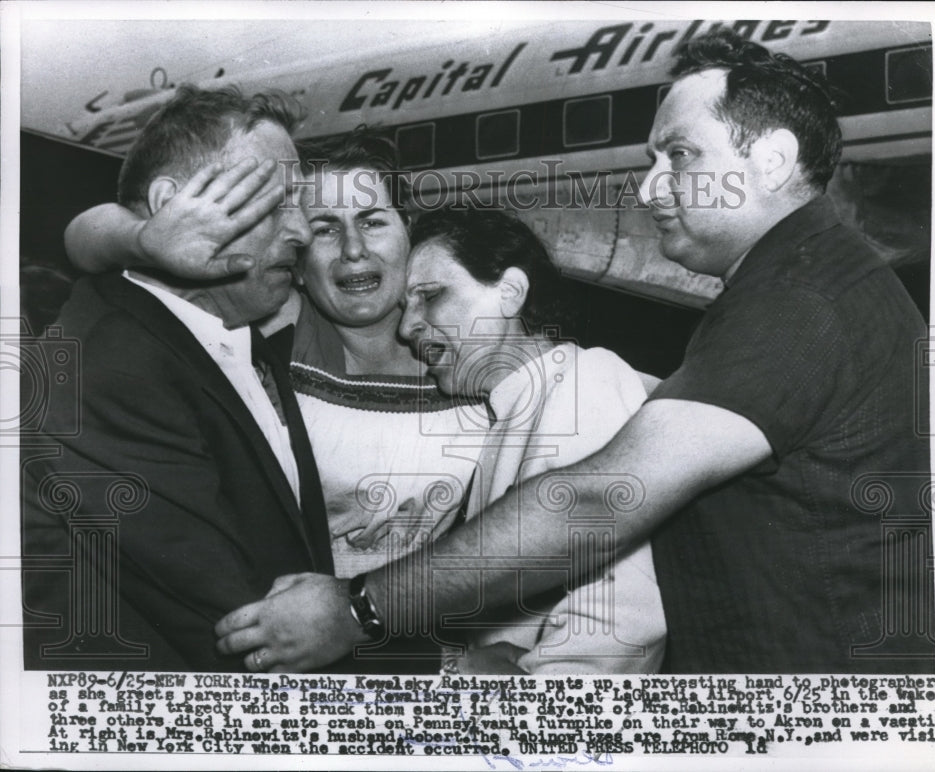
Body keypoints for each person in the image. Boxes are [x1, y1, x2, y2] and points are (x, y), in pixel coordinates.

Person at [215, 29, 933, 675]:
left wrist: (354, 612)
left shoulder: (799, 302)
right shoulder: (800, 283)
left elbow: (600, 500)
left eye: (678, 155)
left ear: (772, 160)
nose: (648, 187)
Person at [59, 127, 481, 672]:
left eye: (373, 221)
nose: (354, 250)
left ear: (408, 235)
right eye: (325, 229)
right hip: (328, 661)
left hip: (459, 653)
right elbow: (79, 239)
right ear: (298, 253)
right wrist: (143, 237)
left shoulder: (477, 352)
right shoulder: (261, 353)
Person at [21, 85, 333, 671]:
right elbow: (240, 628)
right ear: (175, 205)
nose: (304, 231)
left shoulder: (232, 335)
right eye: (275, 201)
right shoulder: (111, 368)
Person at [400, 208, 666, 674]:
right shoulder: (515, 410)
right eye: (406, 305)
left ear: (511, 292)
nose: (407, 327)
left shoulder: (586, 380)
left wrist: (533, 698)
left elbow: (617, 617)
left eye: (429, 295)